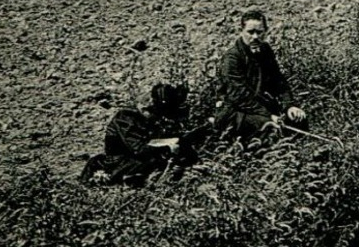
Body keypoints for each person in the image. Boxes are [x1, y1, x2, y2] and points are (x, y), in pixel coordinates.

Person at [79, 82, 198, 186]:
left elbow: (154, 141)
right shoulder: (126, 118)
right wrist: (168, 144)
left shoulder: (148, 119)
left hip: (139, 159)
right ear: (146, 108)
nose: (159, 118)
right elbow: (139, 148)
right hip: (120, 163)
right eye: (157, 113)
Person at [216, 11, 305, 142]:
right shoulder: (232, 58)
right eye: (250, 32)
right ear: (241, 31)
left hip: (261, 107)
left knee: (298, 119)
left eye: (260, 32)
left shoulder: (265, 50)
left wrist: (289, 106)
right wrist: (269, 116)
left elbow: (278, 81)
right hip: (236, 112)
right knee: (269, 128)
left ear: (266, 31)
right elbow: (239, 96)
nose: (255, 36)